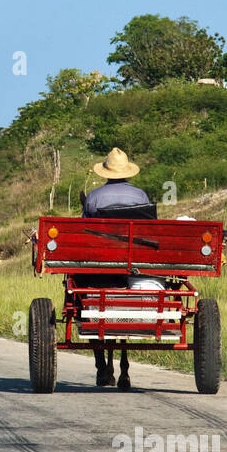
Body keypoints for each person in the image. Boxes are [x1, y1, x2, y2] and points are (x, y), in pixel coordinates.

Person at [80, 148, 154, 389]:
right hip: (134, 265)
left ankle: (102, 366)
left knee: (82, 293)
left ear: (106, 173)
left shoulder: (93, 197)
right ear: (127, 173)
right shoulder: (141, 195)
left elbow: (85, 231)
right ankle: (124, 368)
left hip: (101, 266)